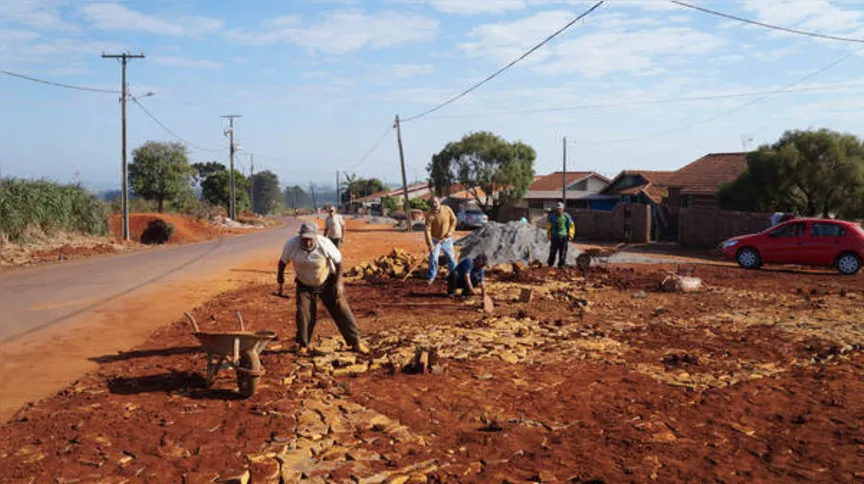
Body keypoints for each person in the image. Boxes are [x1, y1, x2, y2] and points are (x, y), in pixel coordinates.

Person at [276, 222, 368, 355]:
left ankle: (356, 342)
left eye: (310, 239)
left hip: (327, 282)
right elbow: (282, 263)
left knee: (341, 309)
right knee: (304, 313)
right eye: (304, 239)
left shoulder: (324, 244)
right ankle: (303, 344)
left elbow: (339, 263)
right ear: (300, 237)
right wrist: (280, 278)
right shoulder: (291, 245)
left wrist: (339, 284)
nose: (307, 242)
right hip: (304, 285)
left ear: (316, 237)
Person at [424, 197, 458, 284]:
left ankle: (454, 276)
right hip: (435, 240)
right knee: (434, 258)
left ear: (439, 202)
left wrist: (451, 231)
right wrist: (430, 244)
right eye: (432, 203)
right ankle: (431, 276)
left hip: (447, 239)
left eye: (436, 202)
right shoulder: (429, 215)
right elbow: (427, 230)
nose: (434, 204)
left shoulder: (447, 209)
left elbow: (453, 220)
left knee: (450, 258)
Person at [546, 202, 574, 268]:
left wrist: (571, 235)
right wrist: (549, 235)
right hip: (555, 237)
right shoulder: (552, 217)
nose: (558, 210)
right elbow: (549, 226)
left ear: (562, 209)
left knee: (563, 252)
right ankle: (550, 264)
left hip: (564, 237)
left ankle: (561, 265)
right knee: (552, 252)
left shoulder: (566, 216)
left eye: (560, 208)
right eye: (557, 209)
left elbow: (571, 226)